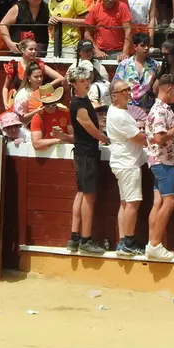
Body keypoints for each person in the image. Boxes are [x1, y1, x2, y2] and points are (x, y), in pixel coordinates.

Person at [66, 65, 109, 255]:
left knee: (82, 193)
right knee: (88, 195)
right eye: (82, 81)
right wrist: (107, 139)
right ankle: (85, 239)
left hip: (83, 152)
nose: (87, 82)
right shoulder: (78, 104)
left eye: (87, 79)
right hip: (87, 153)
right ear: (74, 84)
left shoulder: (81, 101)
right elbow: (90, 128)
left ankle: (75, 237)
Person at [106, 77, 147, 256]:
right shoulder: (120, 115)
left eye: (128, 90)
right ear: (114, 96)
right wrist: (146, 132)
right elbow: (140, 139)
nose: (128, 93)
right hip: (128, 163)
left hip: (122, 161)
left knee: (125, 203)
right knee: (132, 203)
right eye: (124, 91)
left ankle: (123, 241)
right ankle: (128, 242)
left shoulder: (116, 112)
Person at [145, 73, 174, 261]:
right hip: (164, 161)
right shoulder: (161, 110)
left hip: (157, 161)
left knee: (158, 203)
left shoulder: (158, 109)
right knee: (169, 202)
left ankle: (152, 242)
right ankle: (155, 244)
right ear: (169, 88)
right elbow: (160, 138)